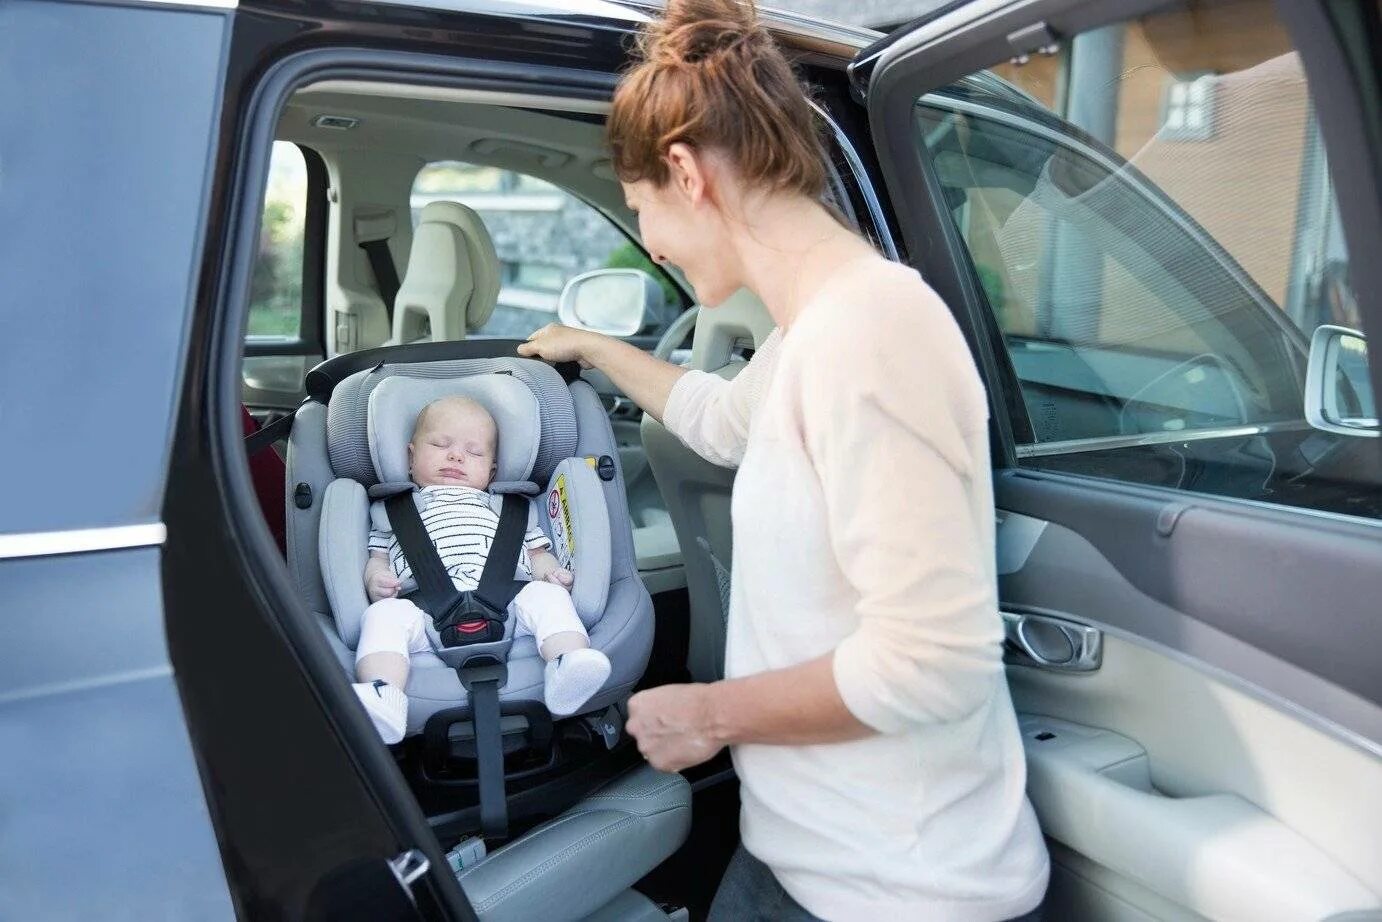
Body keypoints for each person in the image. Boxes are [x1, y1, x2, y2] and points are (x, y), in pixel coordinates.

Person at [518, 1, 1048, 919]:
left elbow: (932, 664)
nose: (650, 243)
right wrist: (593, 347)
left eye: (642, 208)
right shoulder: (812, 335)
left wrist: (707, 714)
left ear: (686, 173)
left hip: (901, 892)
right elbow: (720, 420)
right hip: (805, 858)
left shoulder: (874, 332)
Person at [351, 395, 611, 743]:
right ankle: (383, 693)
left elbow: (537, 555)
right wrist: (375, 580)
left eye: (474, 453)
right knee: (382, 616)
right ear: (411, 458)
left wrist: (551, 573)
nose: (456, 456)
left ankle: (568, 662)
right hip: (421, 614)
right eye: (440, 444)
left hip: (510, 607)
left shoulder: (510, 509)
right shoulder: (391, 514)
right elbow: (378, 560)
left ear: (491, 472)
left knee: (546, 596)